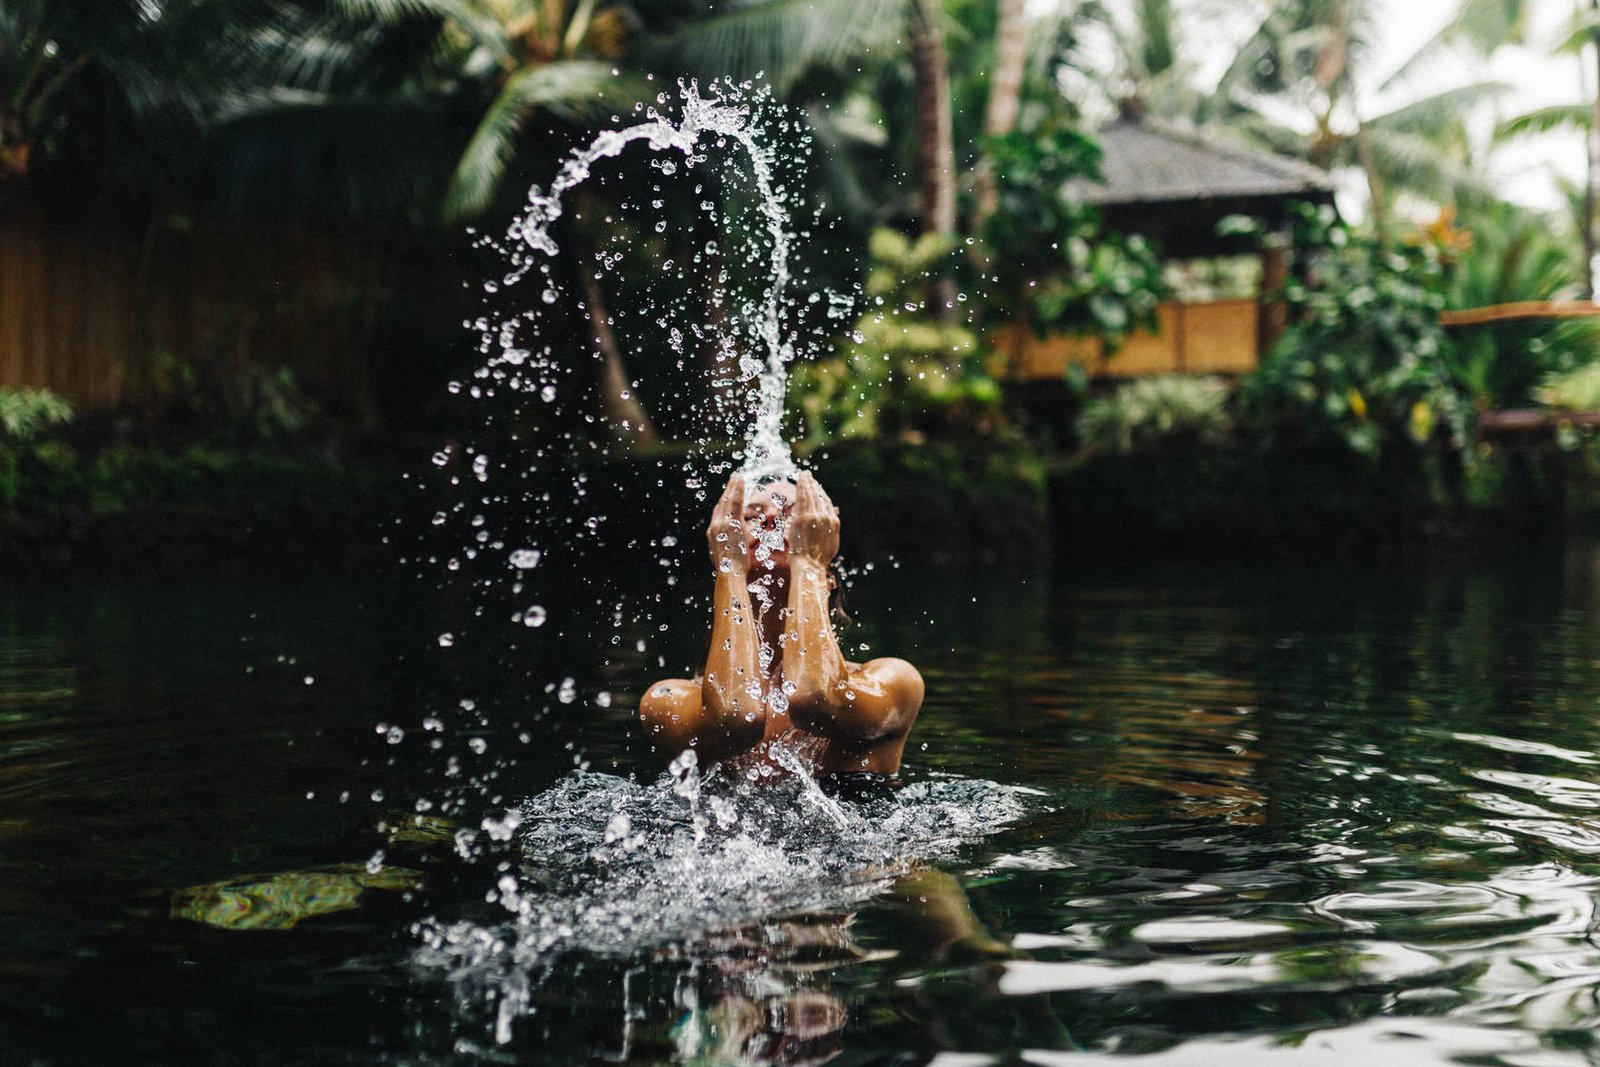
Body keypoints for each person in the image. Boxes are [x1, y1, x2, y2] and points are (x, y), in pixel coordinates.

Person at [639, 471, 924, 776]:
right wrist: (732, 570)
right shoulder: (667, 702)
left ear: (829, 578)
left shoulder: (894, 683)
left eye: (795, 518)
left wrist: (810, 562)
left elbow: (817, 700)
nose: (772, 518)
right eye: (751, 516)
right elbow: (735, 716)